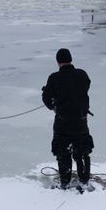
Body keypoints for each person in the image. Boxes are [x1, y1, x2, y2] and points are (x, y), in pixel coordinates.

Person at [41, 48, 94, 191]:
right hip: (80, 121)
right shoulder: (82, 74)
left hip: (62, 123)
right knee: (82, 151)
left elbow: (46, 99)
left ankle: (65, 182)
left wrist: (54, 106)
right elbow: (85, 86)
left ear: (58, 62)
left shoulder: (54, 78)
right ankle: (84, 180)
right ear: (71, 59)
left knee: (62, 152)